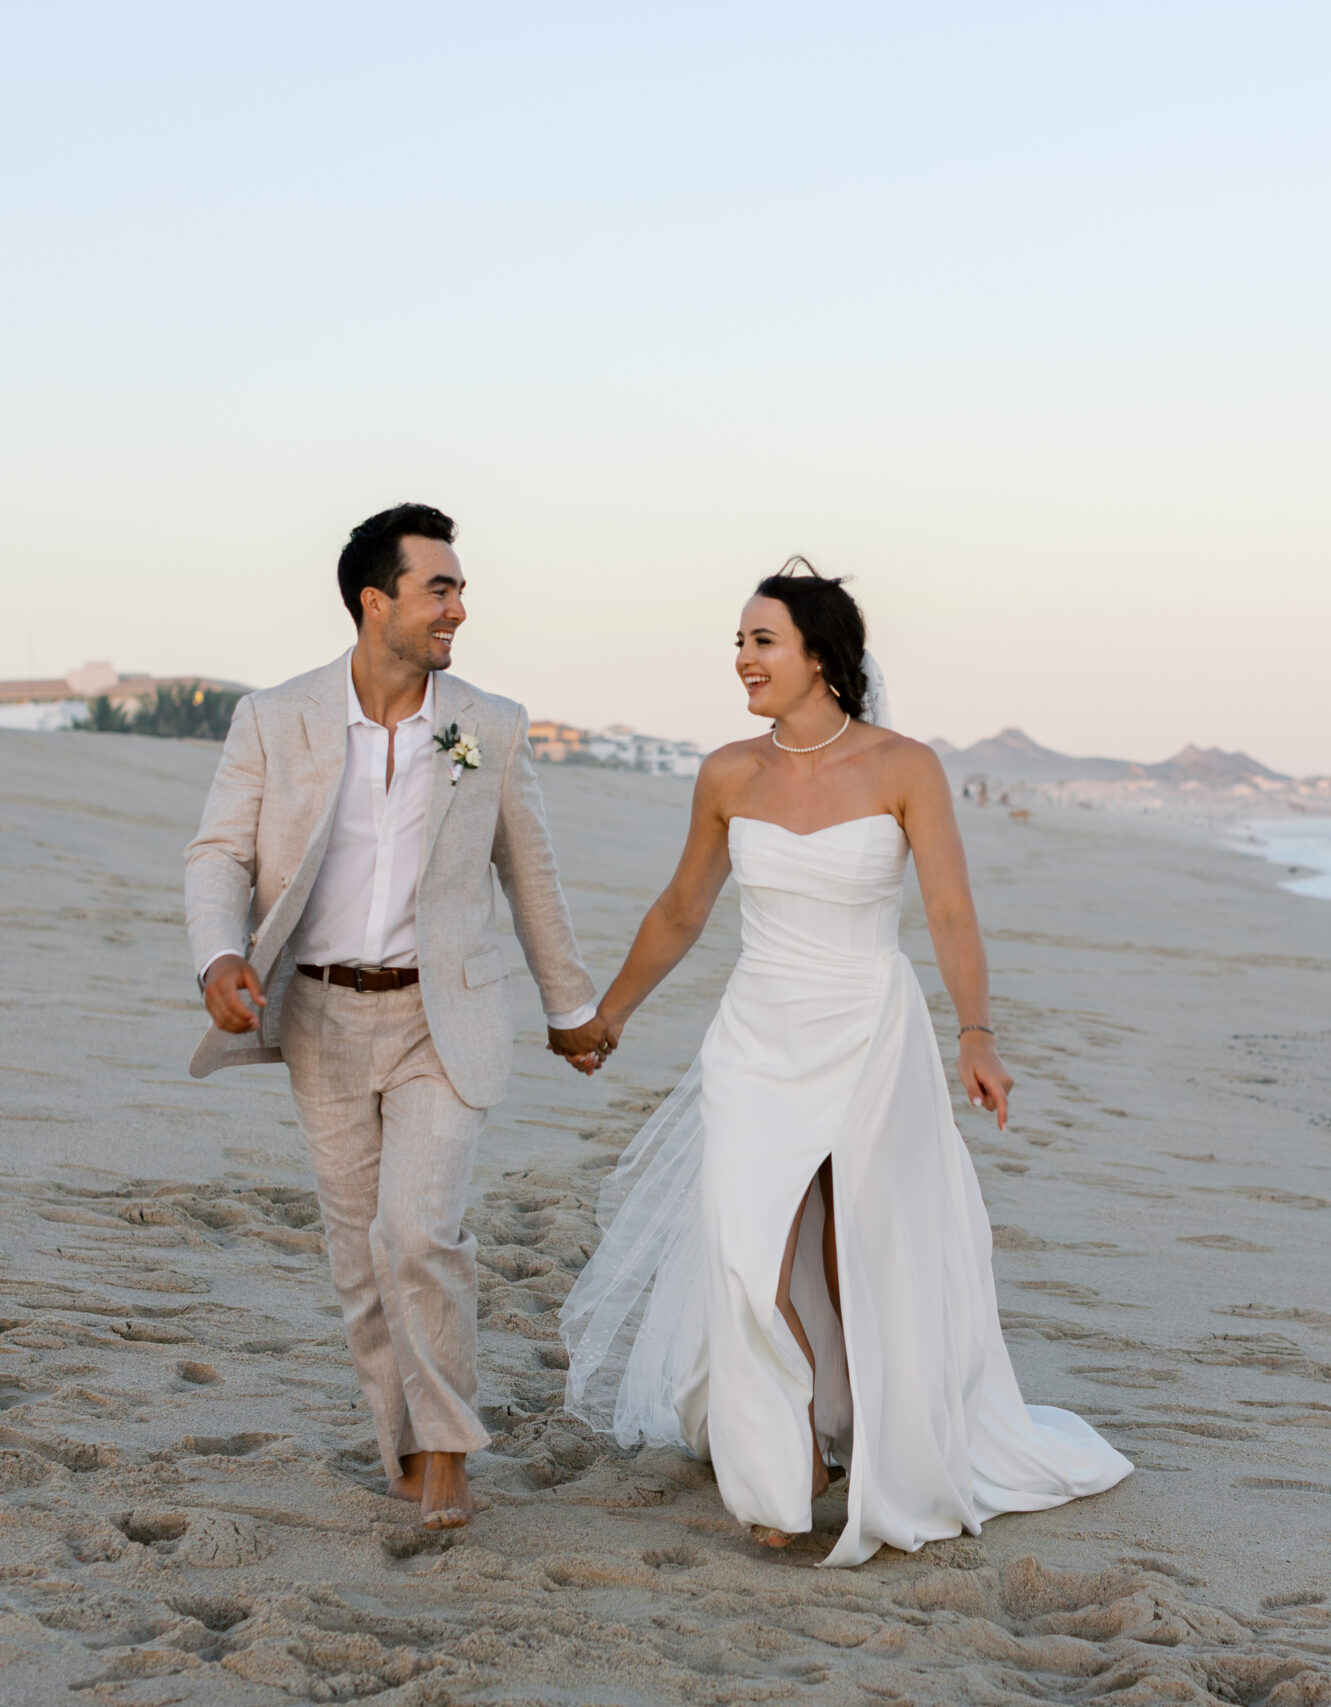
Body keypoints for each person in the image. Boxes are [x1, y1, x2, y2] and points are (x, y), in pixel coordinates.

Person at [558, 560, 1131, 1565]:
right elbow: (683, 907)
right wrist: (610, 1015)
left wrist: (977, 1033)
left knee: (858, 1248)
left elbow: (949, 908)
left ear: (820, 655)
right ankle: (775, 1475)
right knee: (747, 1249)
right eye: (736, 642)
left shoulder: (903, 767)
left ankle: (861, 1431)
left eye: (761, 641)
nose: (741, 659)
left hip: (869, 1028)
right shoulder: (728, 773)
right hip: (755, 1038)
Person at [184, 503, 611, 1531]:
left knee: (418, 1233)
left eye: (459, 588)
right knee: (357, 1256)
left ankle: (452, 1446)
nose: (459, 607)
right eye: (440, 588)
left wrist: (570, 1008)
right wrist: (218, 953)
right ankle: (405, 1444)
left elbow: (529, 872)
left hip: (440, 1017)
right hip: (318, 1019)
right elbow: (219, 856)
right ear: (376, 603)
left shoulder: (485, 725)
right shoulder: (274, 718)